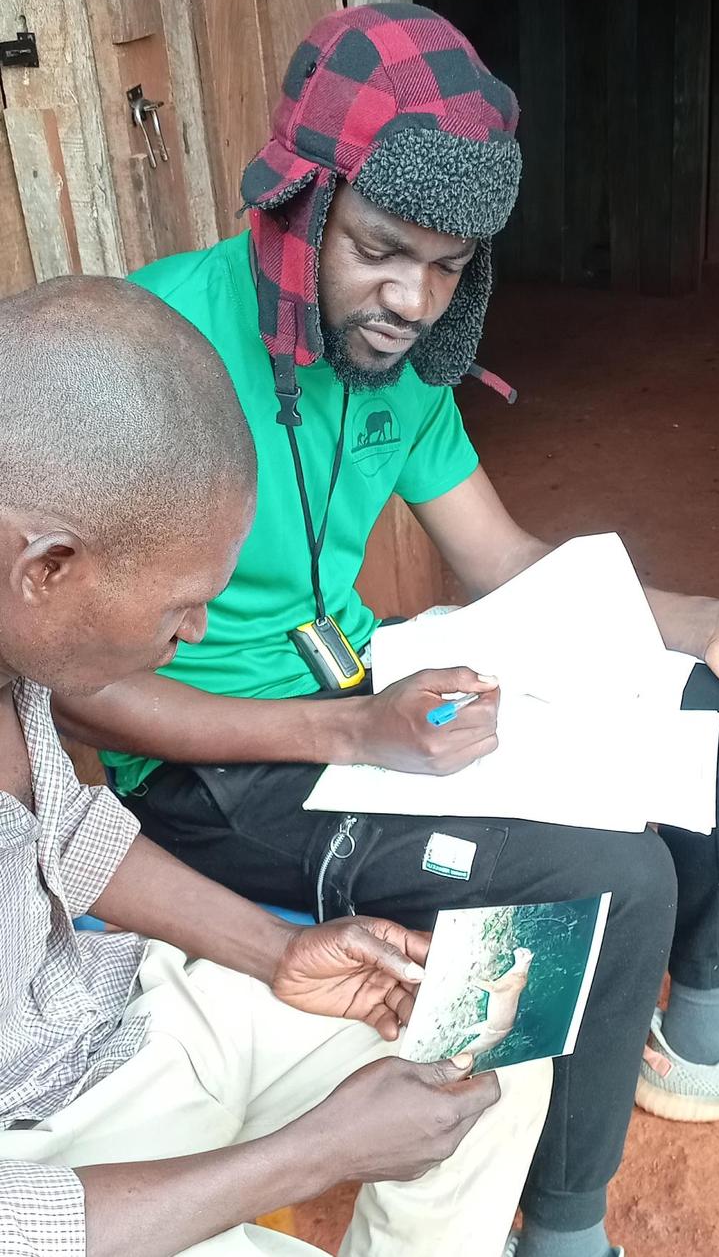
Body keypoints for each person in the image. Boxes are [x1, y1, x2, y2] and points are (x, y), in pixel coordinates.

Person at [54, 4, 719, 1257]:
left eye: (449, 264)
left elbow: (510, 562)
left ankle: (700, 1037)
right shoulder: (153, 365)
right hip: (218, 774)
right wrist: (348, 728)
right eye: (382, 249)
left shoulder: (395, 365)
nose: (414, 300)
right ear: (299, 210)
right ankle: (563, 1227)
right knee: (606, 876)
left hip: (374, 697)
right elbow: (78, 692)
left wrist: (709, 622)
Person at [0, 276, 551, 1257]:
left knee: (489, 1042)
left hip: (112, 1024)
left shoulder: (24, 646)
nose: (200, 630)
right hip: (31, 1180)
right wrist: (314, 1153)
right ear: (46, 567)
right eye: (182, 602)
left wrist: (276, 954)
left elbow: (69, 836)